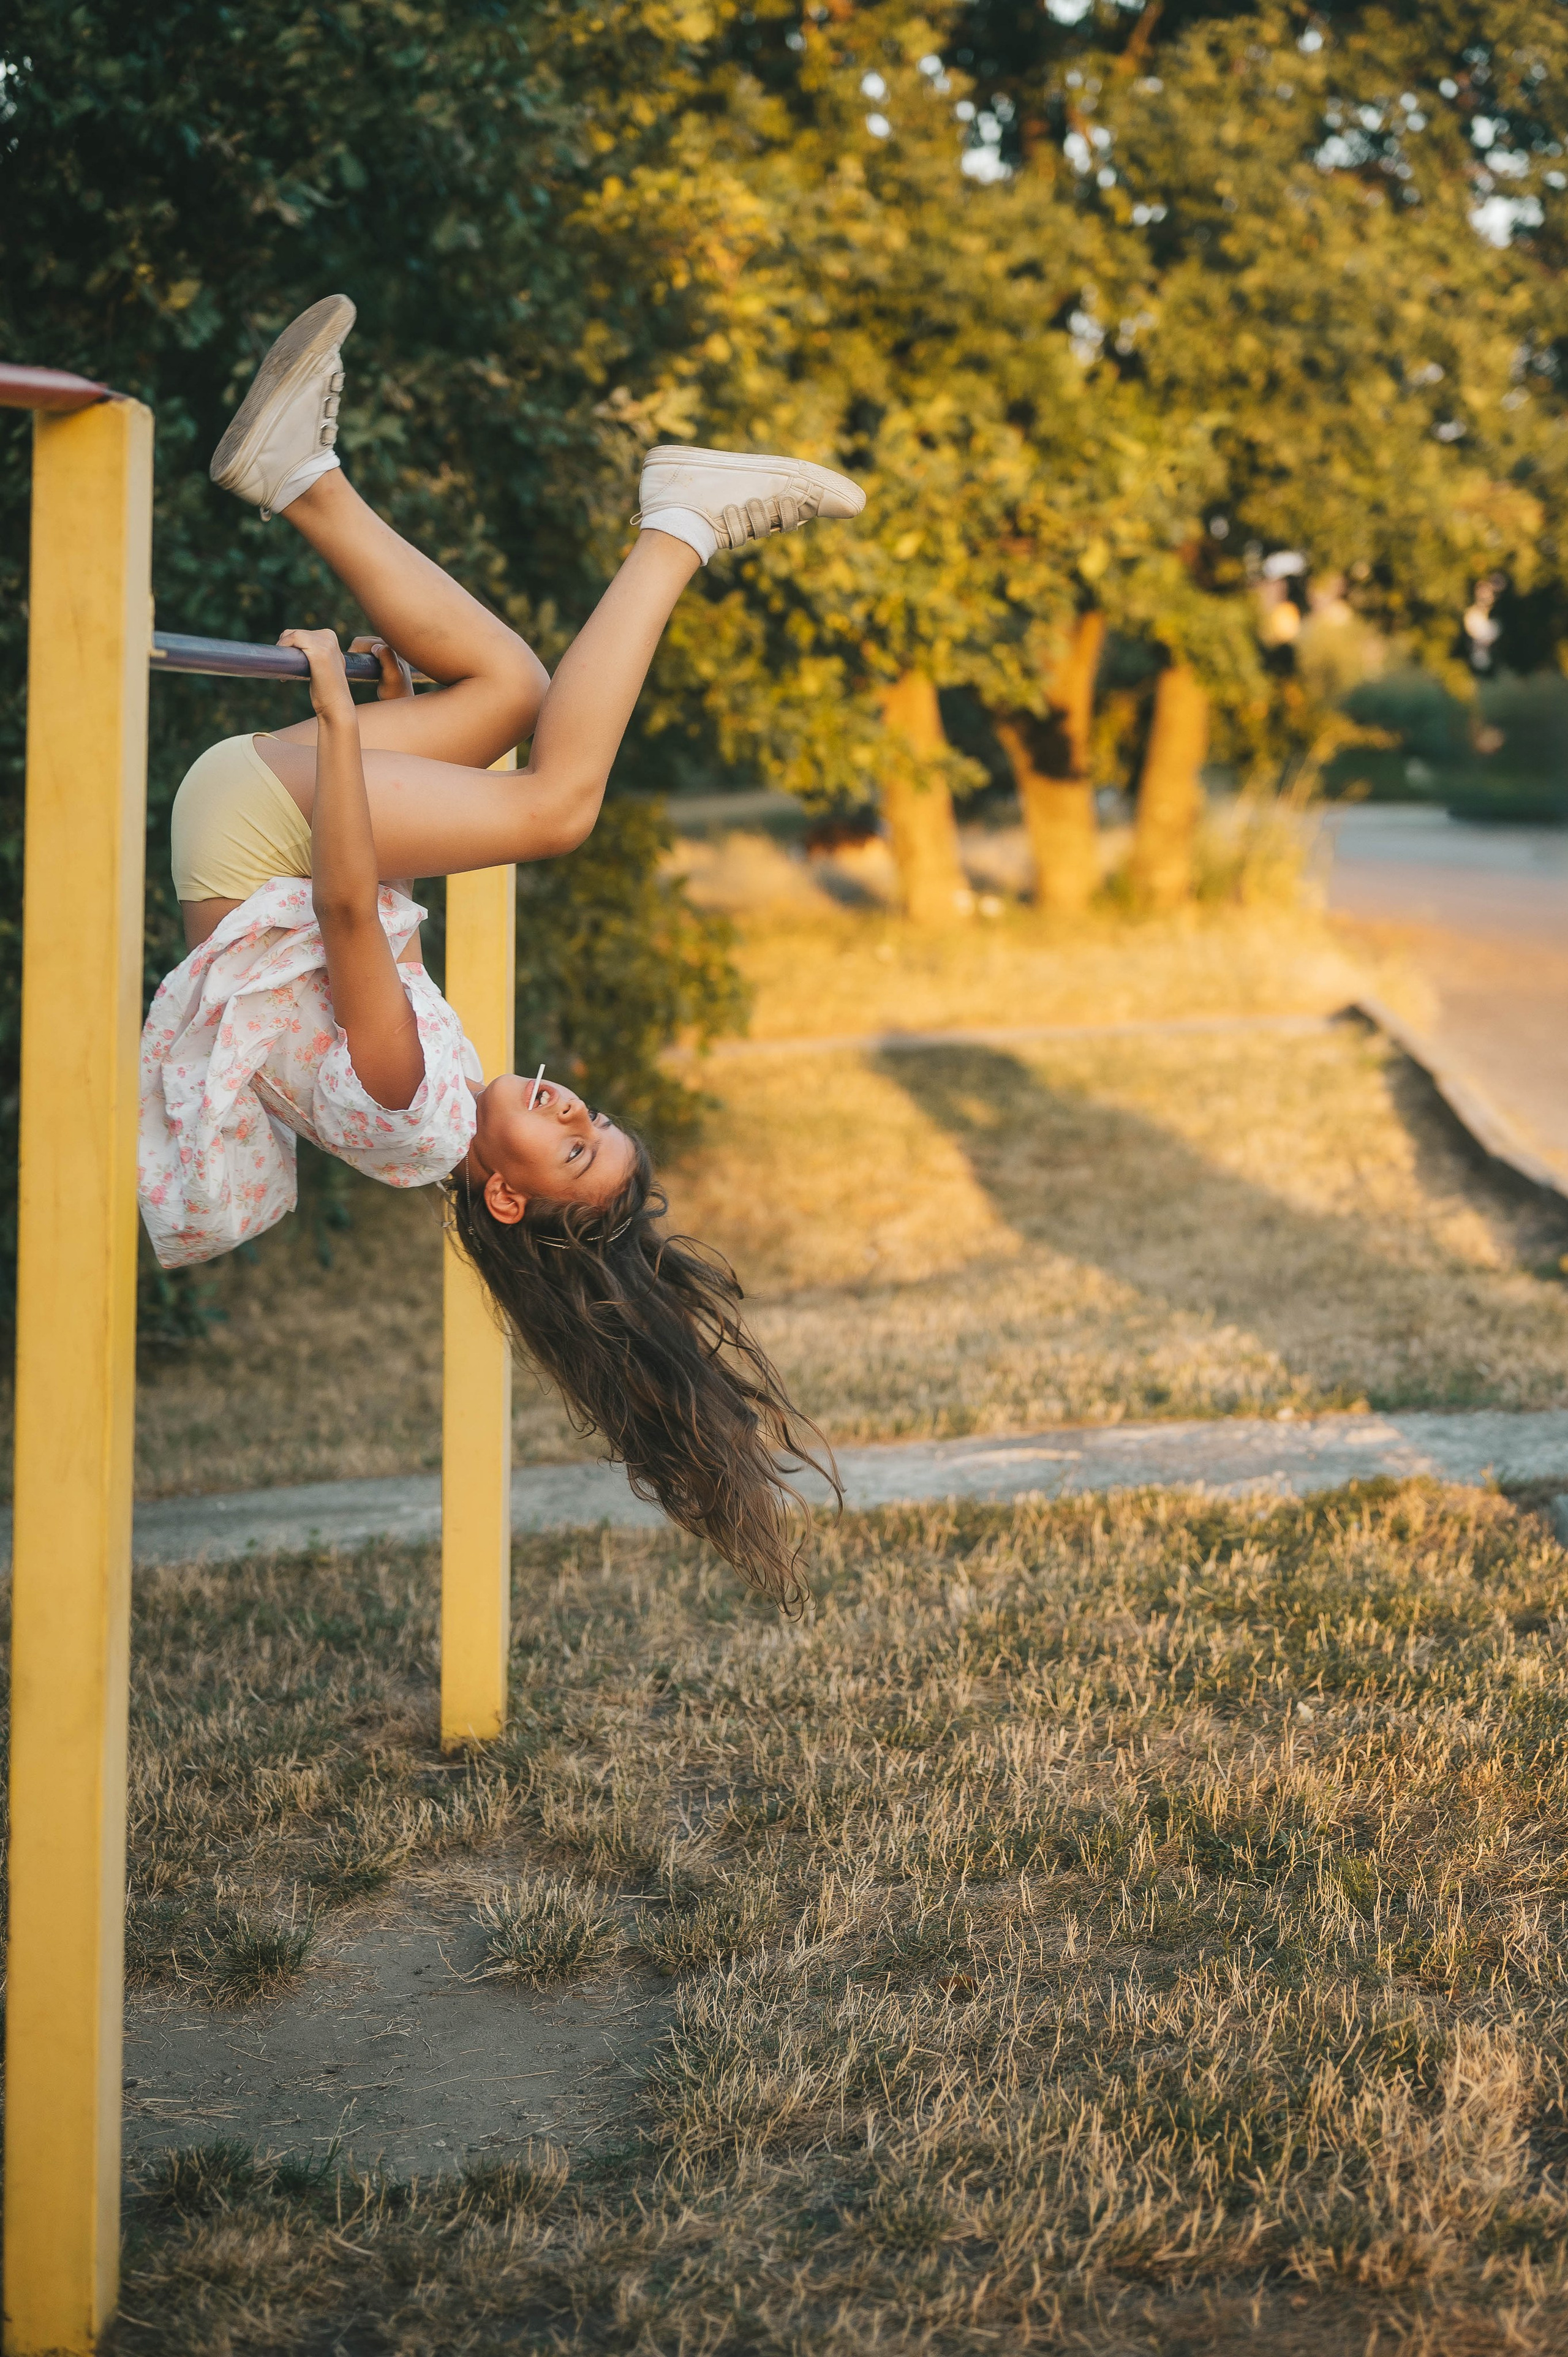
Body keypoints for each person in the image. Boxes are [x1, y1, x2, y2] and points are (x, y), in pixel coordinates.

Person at [138, 295, 864, 1606]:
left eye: (573, 1147)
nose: (576, 1109)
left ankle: (679, 524)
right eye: (601, 1121)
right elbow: (359, 915)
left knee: (558, 805)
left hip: (255, 835)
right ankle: (297, 477)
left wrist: (342, 733)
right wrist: (397, 721)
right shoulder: (435, 1119)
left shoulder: (420, 1112)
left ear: (513, 1197)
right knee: (513, 695)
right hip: (265, 845)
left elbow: (350, 916)